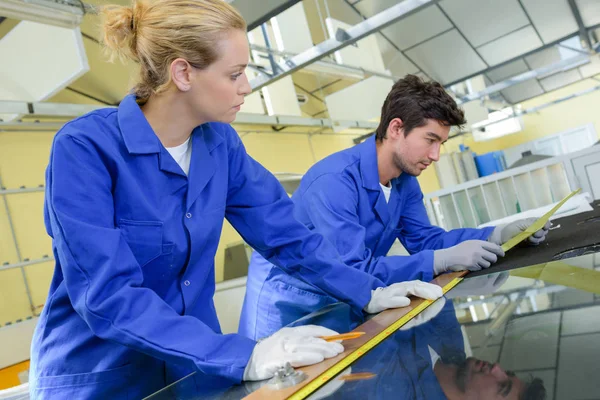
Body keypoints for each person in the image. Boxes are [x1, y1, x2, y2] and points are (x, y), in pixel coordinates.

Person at [28, 2, 444, 399]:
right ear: (183, 73)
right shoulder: (85, 149)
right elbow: (107, 294)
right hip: (104, 380)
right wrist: (245, 354)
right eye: (235, 74)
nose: (246, 87)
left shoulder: (219, 144)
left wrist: (367, 290)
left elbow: (287, 234)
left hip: (193, 372)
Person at [240, 75, 551, 340]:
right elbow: (354, 267)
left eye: (441, 143)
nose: (435, 155)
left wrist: (496, 233)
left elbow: (426, 241)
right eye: (430, 139)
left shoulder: (404, 181)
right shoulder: (333, 182)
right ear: (396, 129)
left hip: (348, 294)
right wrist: (439, 261)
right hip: (290, 303)